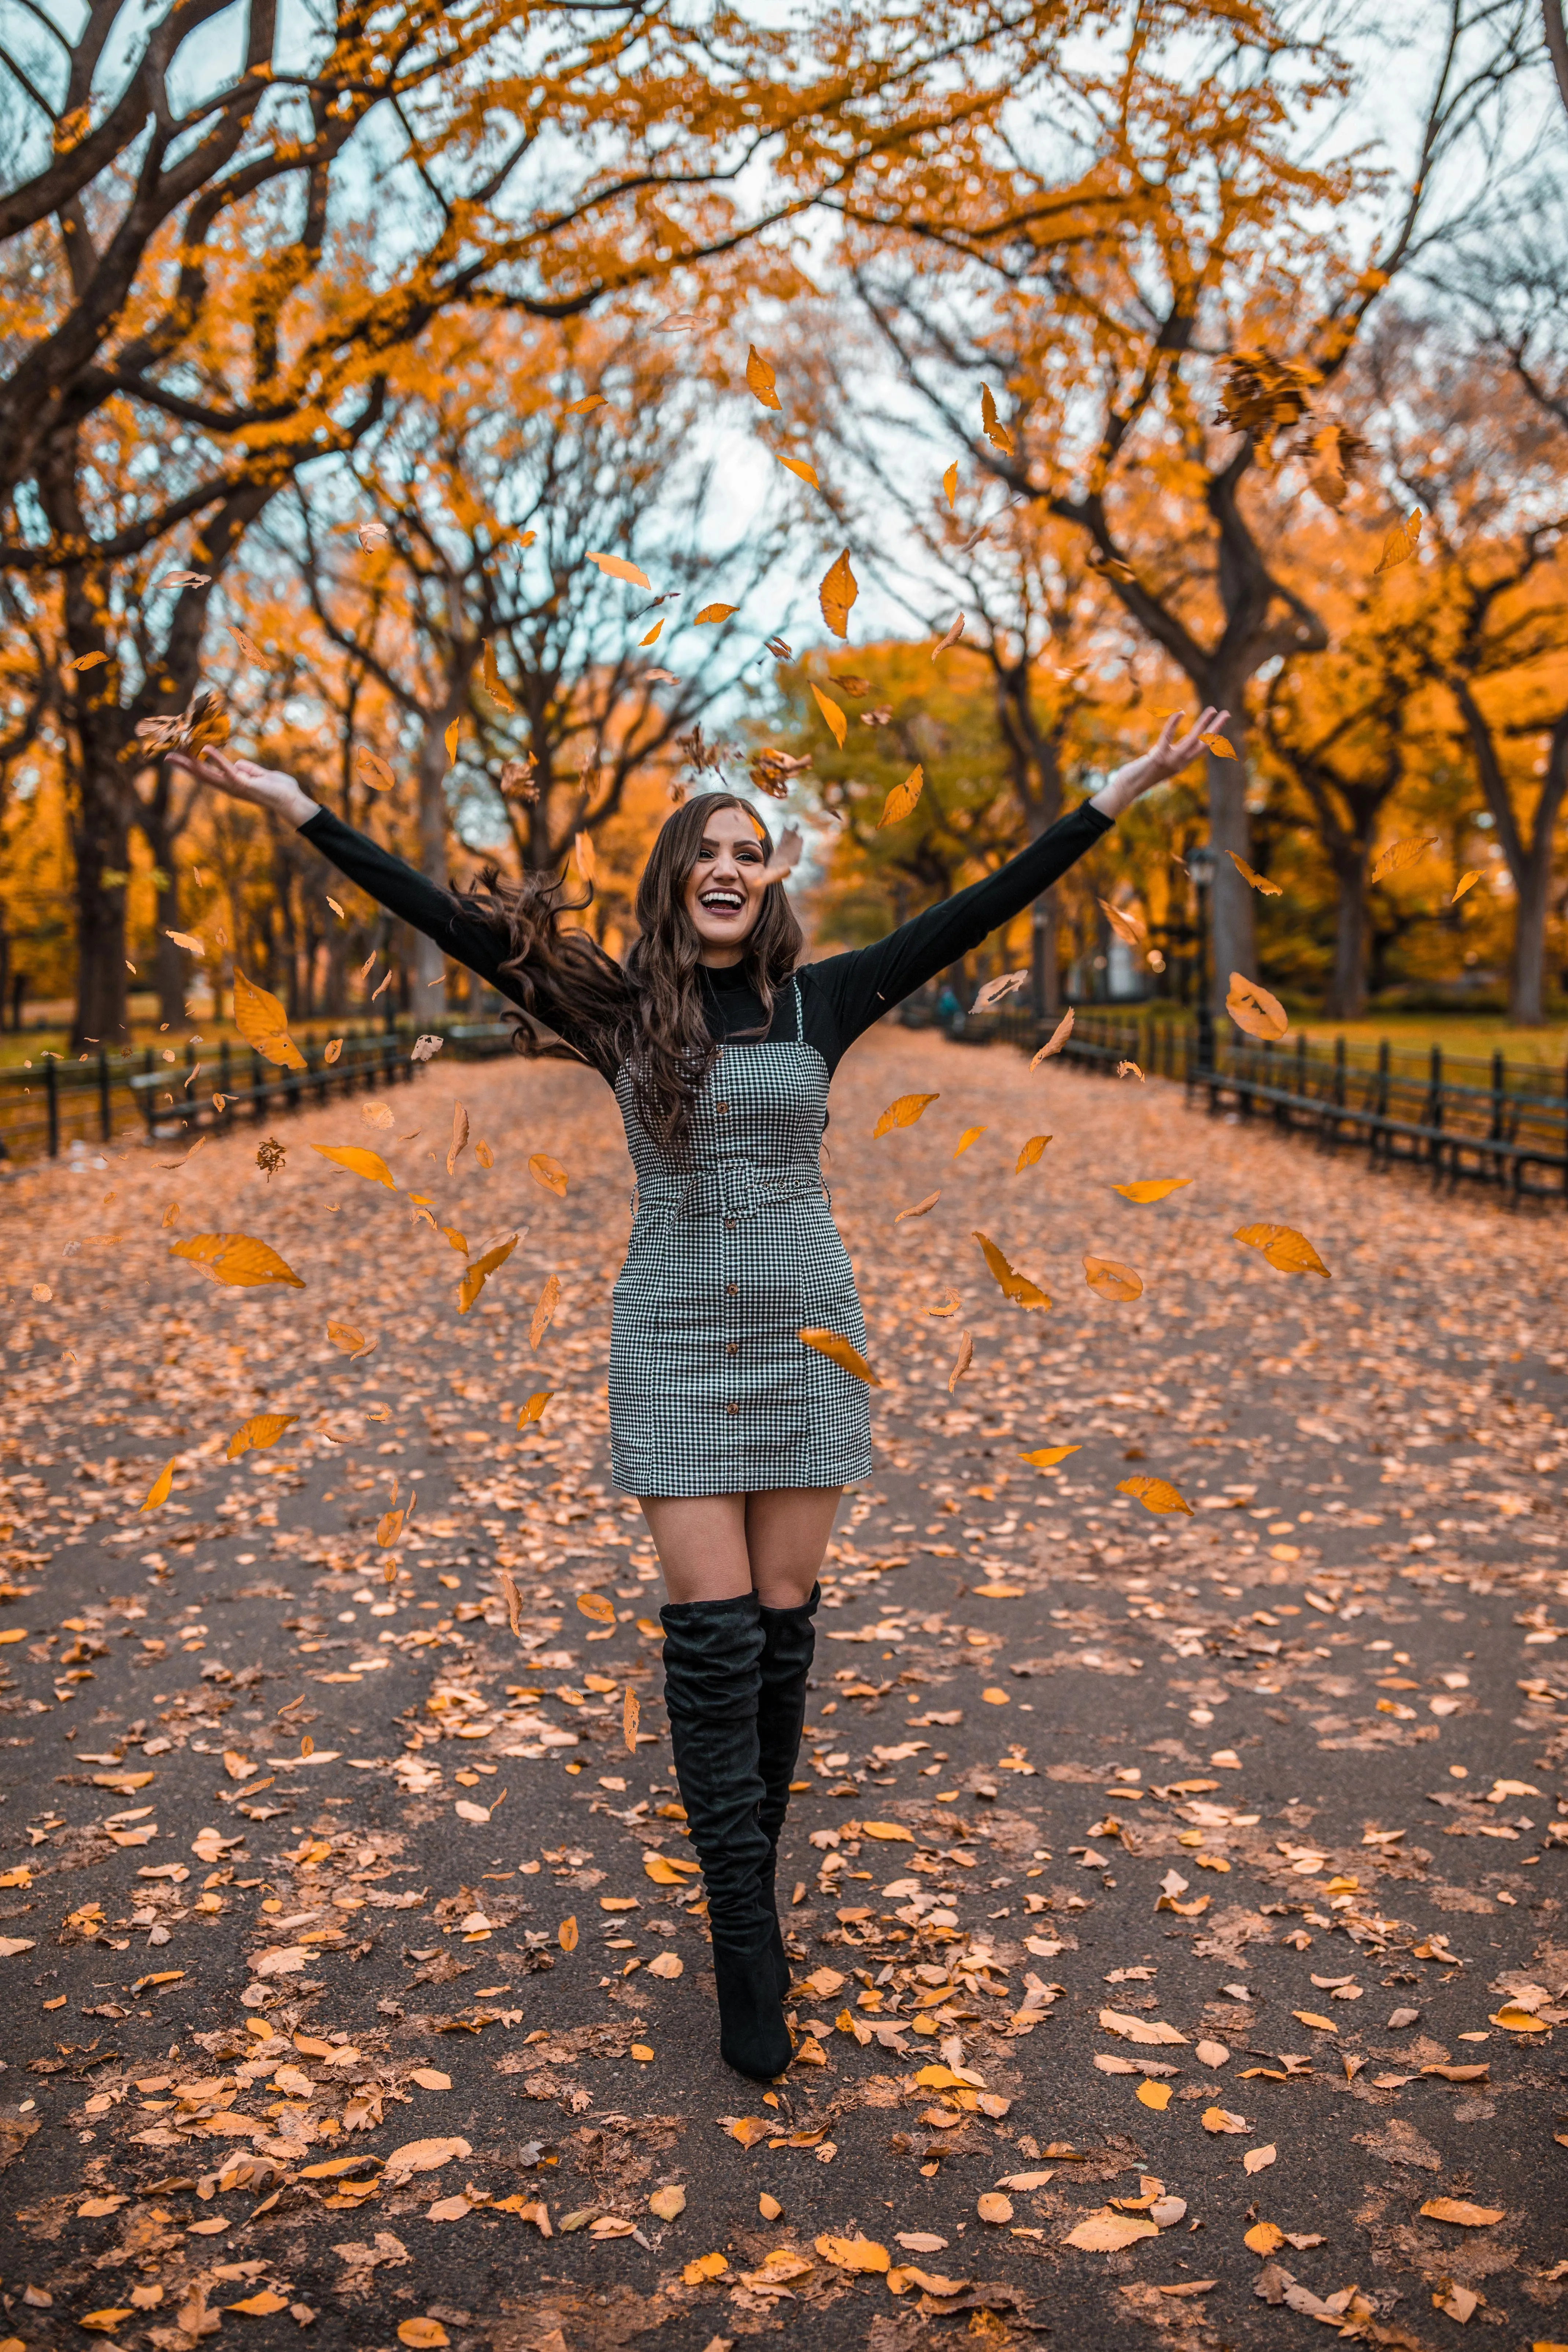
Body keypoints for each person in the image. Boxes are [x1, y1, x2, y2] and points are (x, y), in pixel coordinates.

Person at [171, 705, 1226, 2079]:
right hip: (669, 1339)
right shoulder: (615, 1009)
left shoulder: (824, 999)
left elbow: (981, 907)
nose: (732, 866)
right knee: (713, 1643)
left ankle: (749, 1893)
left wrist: (1112, 796)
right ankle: (747, 1937)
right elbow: (454, 923)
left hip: (807, 1337)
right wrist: (299, 805)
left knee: (783, 1632)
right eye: (708, 851)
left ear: (768, 878)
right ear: (676, 876)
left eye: (753, 850)